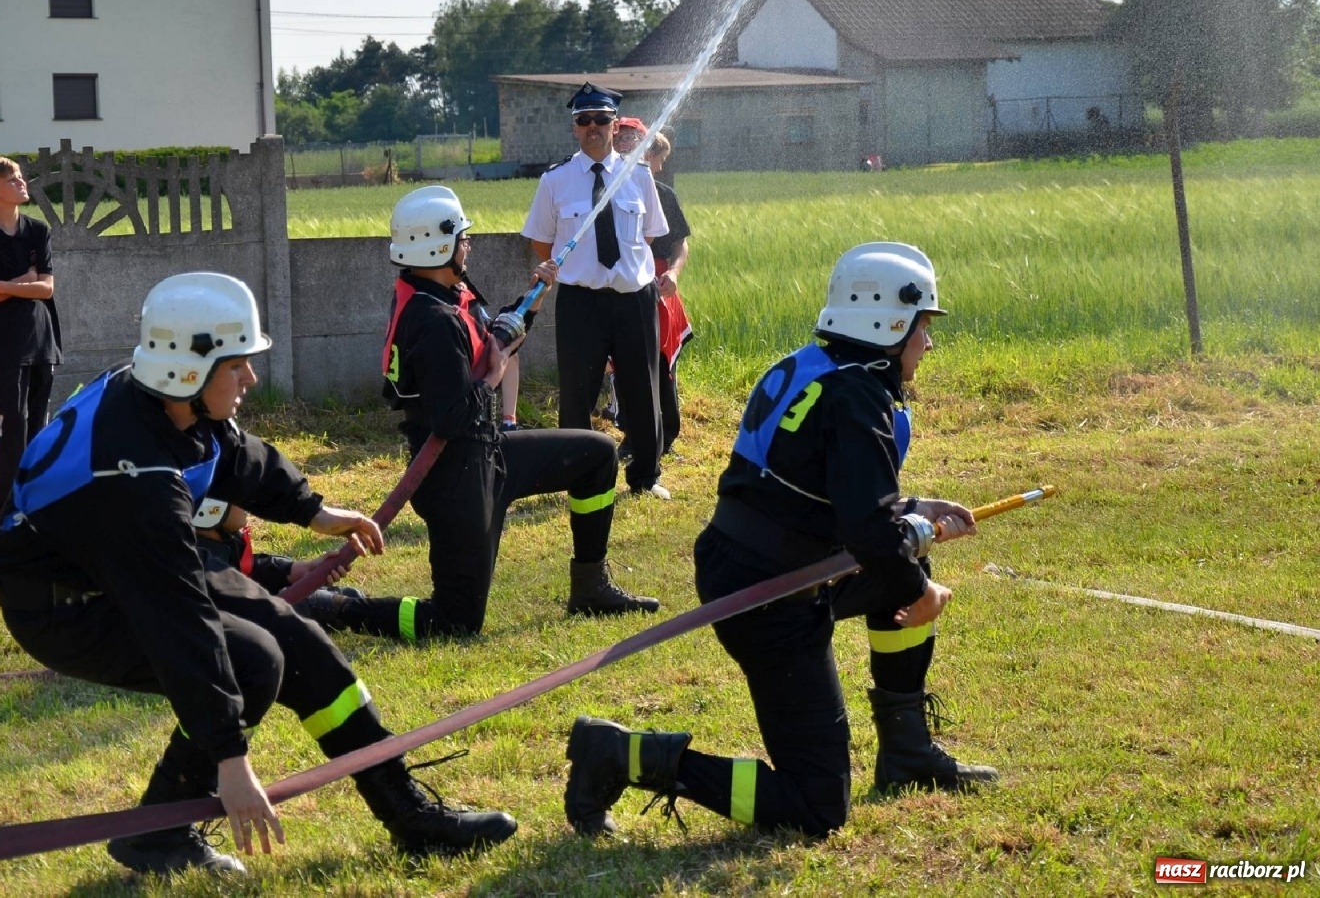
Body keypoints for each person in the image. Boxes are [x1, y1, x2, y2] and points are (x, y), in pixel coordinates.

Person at [0, 272, 517, 876]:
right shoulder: (133, 483)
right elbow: (177, 623)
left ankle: (408, 815)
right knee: (252, 661)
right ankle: (162, 831)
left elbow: (236, 454)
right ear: (191, 368)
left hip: (122, 563)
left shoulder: (167, 398)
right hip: (63, 606)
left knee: (302, 643)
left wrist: (315, 511)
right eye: (237, 365)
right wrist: (230, 759)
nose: (251, 379)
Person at [563, 242, 998, 839]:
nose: (928, 343)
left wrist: (915, 512)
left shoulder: (814, 367)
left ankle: (906, 750)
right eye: (924, 326)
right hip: (770, 598)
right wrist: (917, 588)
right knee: (817, 806)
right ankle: (620, 756)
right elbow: (870, 534)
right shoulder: (857, 396)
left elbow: (818, 490)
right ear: (890, 322)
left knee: (902, 563)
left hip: (762, 566)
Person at [356, 185, 657, 641]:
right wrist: (494, 378)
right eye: (462, 238)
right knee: (455, 623)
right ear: (438, 246)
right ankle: (339, 609)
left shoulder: (440, 295)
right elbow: (453, 416)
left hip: (487, 453)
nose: (468, 245)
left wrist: (529, 303)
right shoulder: (432, 322)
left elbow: (488, 344)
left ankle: (590, 586)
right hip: (455, 477)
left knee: (596, 455)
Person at [522, 83, 672, 498]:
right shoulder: (555, 180)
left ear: (613, 125)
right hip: (580, 301)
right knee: (577, 393)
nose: (593, 127)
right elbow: (541, 241)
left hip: (632, 300)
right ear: (575, 128)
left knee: (643, 389)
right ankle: (576, 475)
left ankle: (646, 476)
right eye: (583, 120)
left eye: (601, 119)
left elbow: (651, 236)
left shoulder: (638, 176)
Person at [0, 156, 62, 527]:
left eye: (21, 177)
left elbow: (46, 287)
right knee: (13, 426)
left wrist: (5, 285)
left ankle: (35, 500)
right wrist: (24, 281)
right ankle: (5, 507)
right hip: (4, 349)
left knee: (39, 426)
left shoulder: (38, 230)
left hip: (42, 342)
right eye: (13, 179)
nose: (22, 183)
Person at [604, 122, 694, 455]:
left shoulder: (663, 195)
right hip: (617, 285)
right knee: (625, 363)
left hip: (657, 286)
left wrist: (673, 272)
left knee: (661, 364)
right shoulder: (600, 193)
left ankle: (665, 436)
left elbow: (679, 243)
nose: (660, 166)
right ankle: (632, 435)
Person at [191, 498, 369, 630]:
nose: (246, 501)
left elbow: (247, 569)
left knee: (349, 595)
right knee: (323, 604)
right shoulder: (193, 560)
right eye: (235, 495)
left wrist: (297, 571)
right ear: (209, 508)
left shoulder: (221, 542)